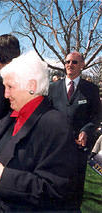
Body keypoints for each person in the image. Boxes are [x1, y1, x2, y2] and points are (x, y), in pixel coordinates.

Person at [0, 51, 79, 212]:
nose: (5, 94)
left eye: (10, 87)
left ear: (31, 86)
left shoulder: (55, 126)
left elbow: (57, 190)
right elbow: (14, 150)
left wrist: (5, 177)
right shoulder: (15, 114)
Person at [48, 51, 101, 207]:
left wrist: (86, 130)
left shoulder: (91, 89)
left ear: (82, 65)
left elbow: (96, 117)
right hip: (55, 149)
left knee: (74, 193)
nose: (70, 65)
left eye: (74, 62)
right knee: (53, 191)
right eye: (67, 62)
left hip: (78, 150)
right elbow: (45, 115)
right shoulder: (53, 88)